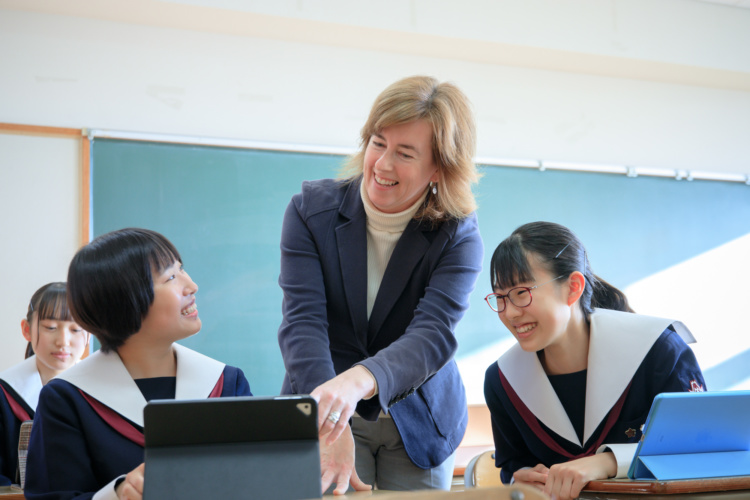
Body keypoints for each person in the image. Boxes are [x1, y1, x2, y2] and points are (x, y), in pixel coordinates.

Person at [278, 75, 483, 494]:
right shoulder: (310, 212)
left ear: (439, 168)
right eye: (377, 142)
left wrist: (356, 381)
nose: (382, 164)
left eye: (405, 153)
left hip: (420, 419)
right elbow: (303, 324)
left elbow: (432, 335)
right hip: (323, 402)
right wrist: (332, 422)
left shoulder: (457, 233)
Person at [483, 221, 706, 500]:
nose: (510, 313)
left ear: (573, 287)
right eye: (501, 297)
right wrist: (522, 477)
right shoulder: (502, 380)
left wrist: (609, 462)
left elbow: (700, 449)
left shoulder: (658, 350)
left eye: (521, 293)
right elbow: (512, 463)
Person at [24, 228, 252, 500]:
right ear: (124, 302)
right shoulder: (67, 398)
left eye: (182, 270)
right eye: (170, 277)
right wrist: (117, 494)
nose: (191, 286)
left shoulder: (227, 383)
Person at [0, 283, 89, 486]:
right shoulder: (5, 393)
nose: (63, 341)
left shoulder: (103, 392)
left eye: (76, 329)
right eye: (50, 328)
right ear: (26, 329)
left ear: (89, 334)